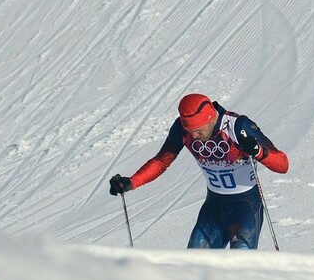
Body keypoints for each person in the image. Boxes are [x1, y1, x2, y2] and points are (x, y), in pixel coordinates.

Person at [109, 94, 289, 249]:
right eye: (190, 130)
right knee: (193, 264)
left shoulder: (238, 126)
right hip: (214, 206)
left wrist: (259, 151)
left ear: (211, 118)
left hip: (245, 206)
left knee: (238, 265)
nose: (194, 136)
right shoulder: (181, 128)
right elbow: (161, 161)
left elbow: (283, 165)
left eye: (198, 130)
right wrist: (131, 182)